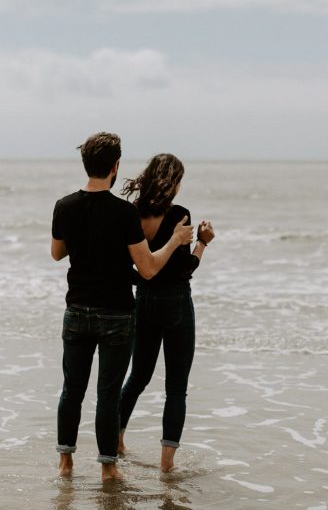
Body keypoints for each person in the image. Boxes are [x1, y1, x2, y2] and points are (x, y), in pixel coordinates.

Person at [50, 133, 194, 482]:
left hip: (77, 309)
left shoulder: (64, 205)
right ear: (115, 166)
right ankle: (108, 468)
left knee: (72, 389)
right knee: (107, 393)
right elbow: (146, 268)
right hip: (115, 313)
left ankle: (65, 464)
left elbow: (57, 253)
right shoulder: (123, 212)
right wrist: (176, 240)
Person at [116, 153, 215, 473]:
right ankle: (166, 465)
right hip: (175, 304)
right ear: (174, 182)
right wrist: (203, 242)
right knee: (176, 387)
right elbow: (185, 269)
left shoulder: (131, 214)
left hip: (142, 302)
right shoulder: (179, 215)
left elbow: (127, 268)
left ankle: (115, 442)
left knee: (137, 378)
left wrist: (145, 280)